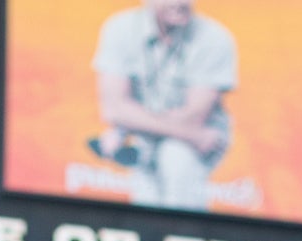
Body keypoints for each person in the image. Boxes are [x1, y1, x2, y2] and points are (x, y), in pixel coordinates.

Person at [91, 1, 236, 211]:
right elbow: (113, 109)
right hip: (171, 137)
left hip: (193, 143)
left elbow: (194, 117)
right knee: (146, 199)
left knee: (176, 157)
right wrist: (124, 127)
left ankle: (186, 238)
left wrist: (127, 125)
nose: (181, 3)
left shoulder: (215, 38)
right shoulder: (119, 28)